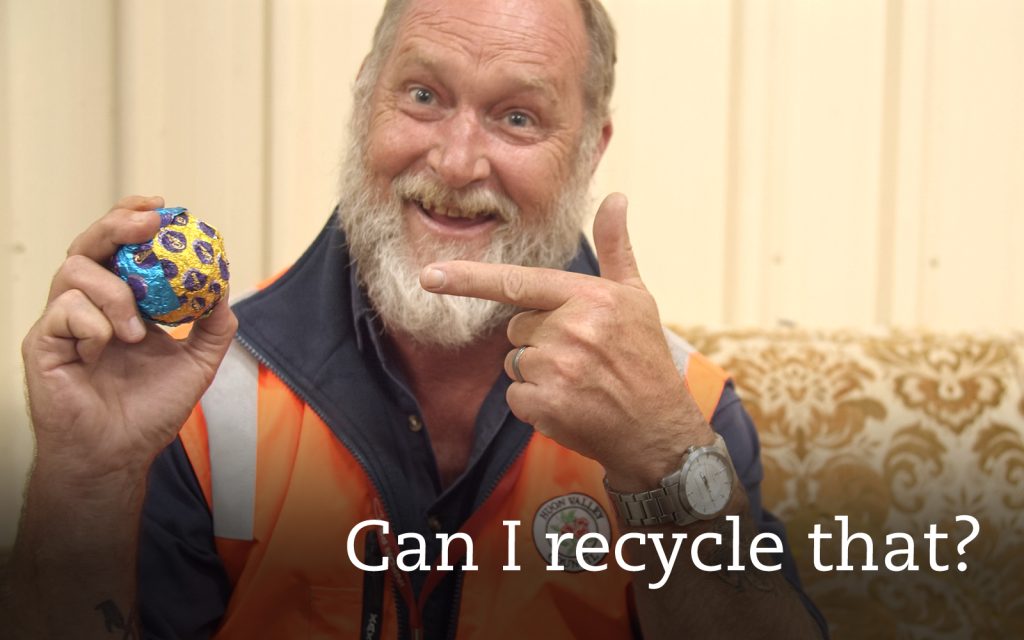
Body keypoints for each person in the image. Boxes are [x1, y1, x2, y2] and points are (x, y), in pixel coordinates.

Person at [5, 0, 827, 637]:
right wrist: (86, 481)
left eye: (517, 117)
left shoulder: (683, 405)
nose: (457, 162)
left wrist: (665, 462)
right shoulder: (197, 402)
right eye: (424, 96)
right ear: (366, 99)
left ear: (590, 150)